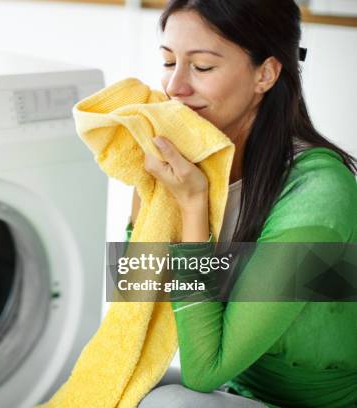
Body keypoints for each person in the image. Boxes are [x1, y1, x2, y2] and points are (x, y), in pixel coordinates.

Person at [129, 0, 357, 407]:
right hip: (242, 386)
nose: (174, 87)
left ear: (265, 74)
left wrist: (194, 208)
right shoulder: (206, 163)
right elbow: (137, 307)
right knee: (121, 381)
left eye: (201, 67)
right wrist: (145, 191)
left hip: (317, 403)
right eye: (168, 62)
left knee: (172, 403)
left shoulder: (319, 194)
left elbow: (205, 372)